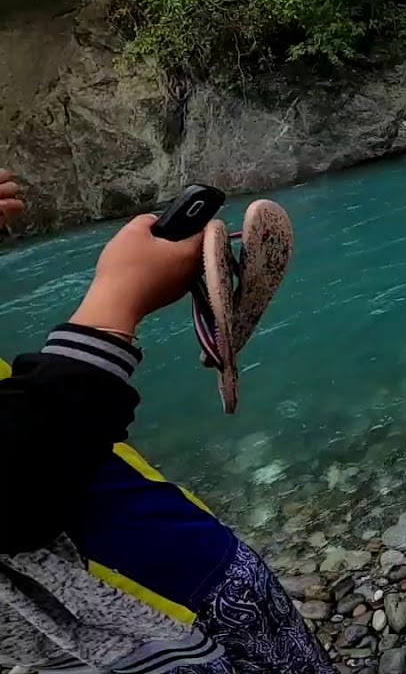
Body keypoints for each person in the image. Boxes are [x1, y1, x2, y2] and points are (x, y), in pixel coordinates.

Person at [0, 169, 334, 674]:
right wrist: (116, 303)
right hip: (135, 618)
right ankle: (215, 335)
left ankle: (216, 336)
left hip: (161, 553)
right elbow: (15, 492)